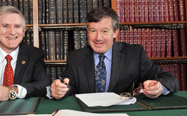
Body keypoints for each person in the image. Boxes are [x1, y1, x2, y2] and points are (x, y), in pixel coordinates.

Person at [50, 7, 179, 100]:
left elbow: (170, 80)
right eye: (93, 30)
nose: (98, 38)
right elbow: (65, 85)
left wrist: (160, 87)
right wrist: (58, 90)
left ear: (115, 32)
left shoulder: (134, 54)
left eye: (105, 31)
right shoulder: (75, 57)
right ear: (87, 32)